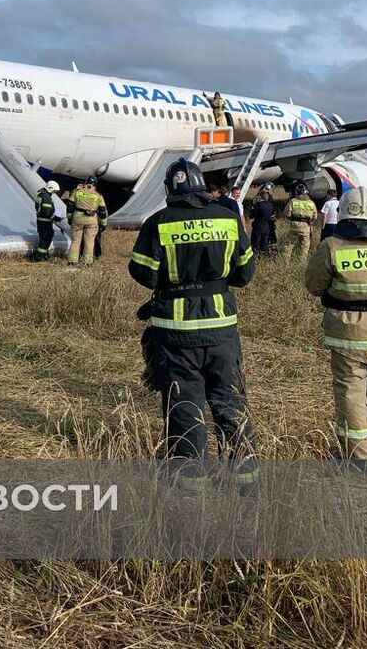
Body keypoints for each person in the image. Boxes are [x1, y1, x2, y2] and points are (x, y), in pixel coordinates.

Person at [129, 158, 257, 491]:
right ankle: (245, 478)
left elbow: (142, 271)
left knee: (184, 402)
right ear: (202, 187)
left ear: (169, 190)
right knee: (229, 399)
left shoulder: (158, 223)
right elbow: (244, 274)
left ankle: (190, 482)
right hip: (221, 328)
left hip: (174, 330)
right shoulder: (229, 219)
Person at [305, 187, 367, 462]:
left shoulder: (331, 247)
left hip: (348, 335)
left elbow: (313, 285)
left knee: (351, 394)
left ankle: (361, 457)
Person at [66, 176, 107, 267]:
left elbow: (69, 206)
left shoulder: (77, 192)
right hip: (91, 220)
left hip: (77, 218)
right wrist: (104, 224)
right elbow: (103, 211)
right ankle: (87, 262)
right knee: (90, 241)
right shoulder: (98, 195)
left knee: (75, 240)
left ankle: (72, 261)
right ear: (95, 184)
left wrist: (69, 218)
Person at [283, 182, 318, 260]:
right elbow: (315, 216)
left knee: (289, 245)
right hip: (306, 226)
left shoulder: (293, 201)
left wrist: (292, 219)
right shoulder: (311, 203)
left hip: (294, 225)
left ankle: (285, 262)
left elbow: (287, 213)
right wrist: (310, 222)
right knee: (305, 246)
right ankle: (301, 262)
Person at [33, 181, 61, 261]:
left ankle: (44, 255)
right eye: (54, 191)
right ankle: (39, 257)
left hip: (41, 221)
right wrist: (56, 218)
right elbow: (47, 212)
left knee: (44, 239)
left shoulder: (41, 195)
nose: (54, 193)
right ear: (50, 188)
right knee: (45, 240)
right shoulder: (46, 197)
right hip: (45, 222)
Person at [250, 190, 275, 255]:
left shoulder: (258, 205)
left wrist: (253, 205)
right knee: (264, 243)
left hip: (258, 227)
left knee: (255, 243)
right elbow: (271, 216)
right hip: (266, 227)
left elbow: (252, 216)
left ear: (261, 197)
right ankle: (264, 256)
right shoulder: (270, 205)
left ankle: (255, 257)